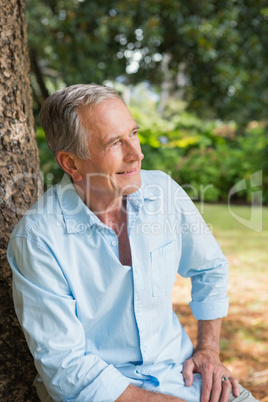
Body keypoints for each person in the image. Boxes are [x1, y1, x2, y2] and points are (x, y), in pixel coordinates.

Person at [7, 84, 259, 402]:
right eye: (115, 143)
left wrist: (208, 349)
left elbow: (209, 267)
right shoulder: (38, 240)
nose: (136, 153)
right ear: (71, 163)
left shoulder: (163, 192)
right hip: (105, 393)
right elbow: (68, 371)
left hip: (182, 376)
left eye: (134, 133)